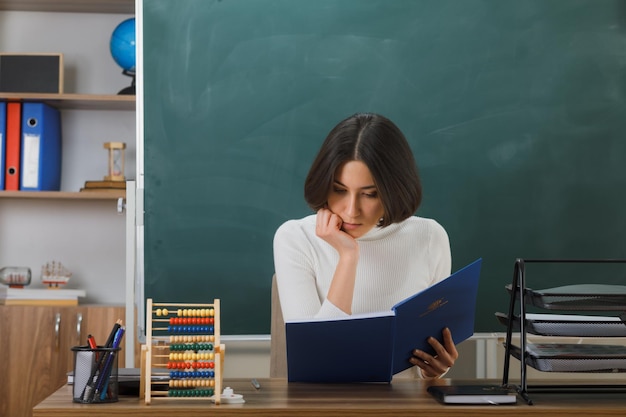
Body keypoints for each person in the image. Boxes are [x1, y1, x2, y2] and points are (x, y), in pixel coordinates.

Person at [273, 112, 455, 379]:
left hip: (402, 407)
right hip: (321, 405)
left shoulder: (429, 237)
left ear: (393, 189)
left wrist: (436, 369)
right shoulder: (295, 238)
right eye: (339, 190)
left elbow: (431, 358)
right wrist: (347, 257)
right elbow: (317, 359)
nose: (351, 210)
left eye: (369, 194)